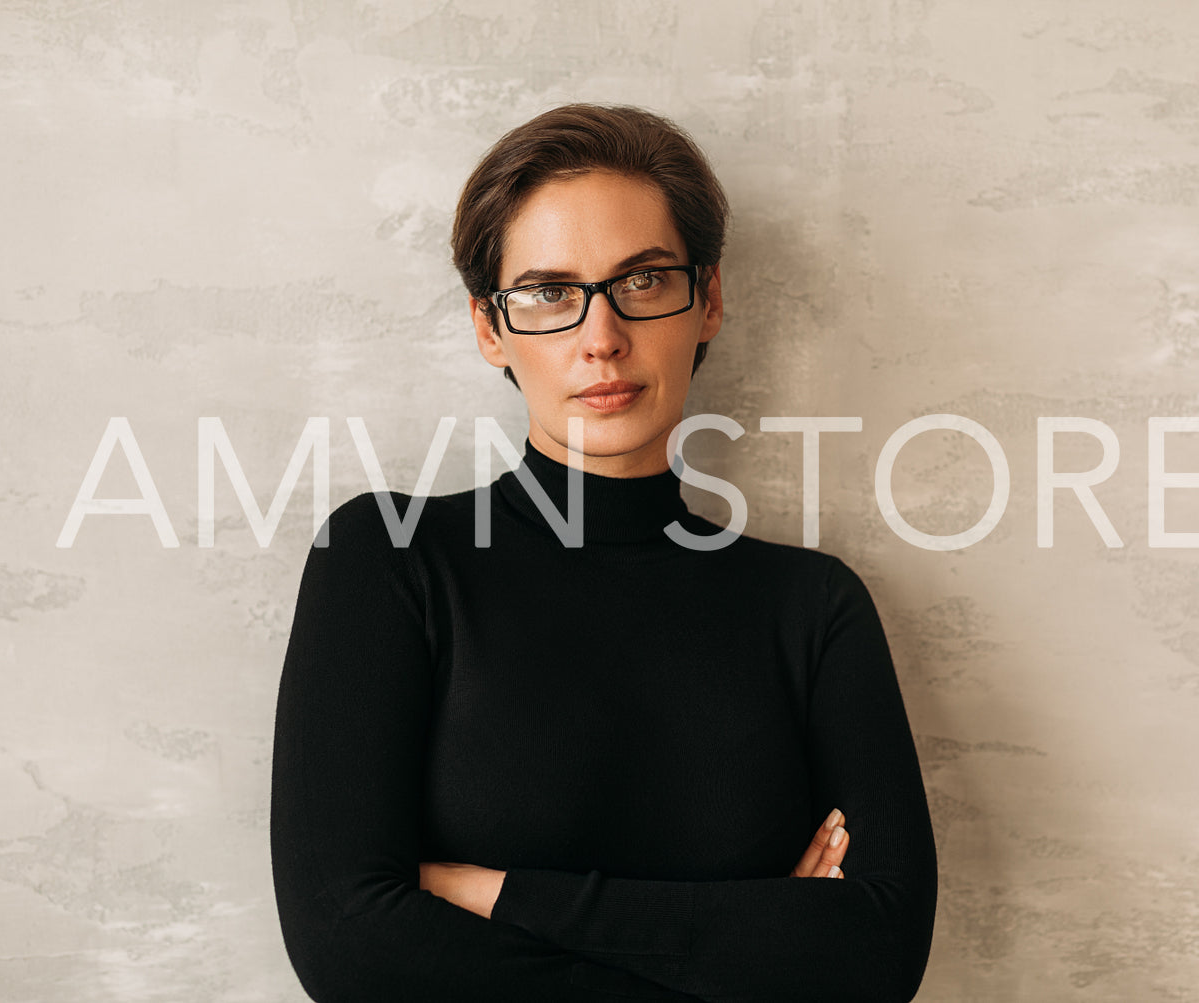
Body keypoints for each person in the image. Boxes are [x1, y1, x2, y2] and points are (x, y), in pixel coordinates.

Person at [270, 103, 937, 1002]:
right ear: (488, 327)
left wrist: (490, 893)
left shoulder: (810, 607)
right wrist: (748, 947)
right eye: (549, 291)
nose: (601, 336)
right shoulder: (392, 559)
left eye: (645, 279)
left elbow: (875, 958)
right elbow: (350, 948)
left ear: (707, 302)